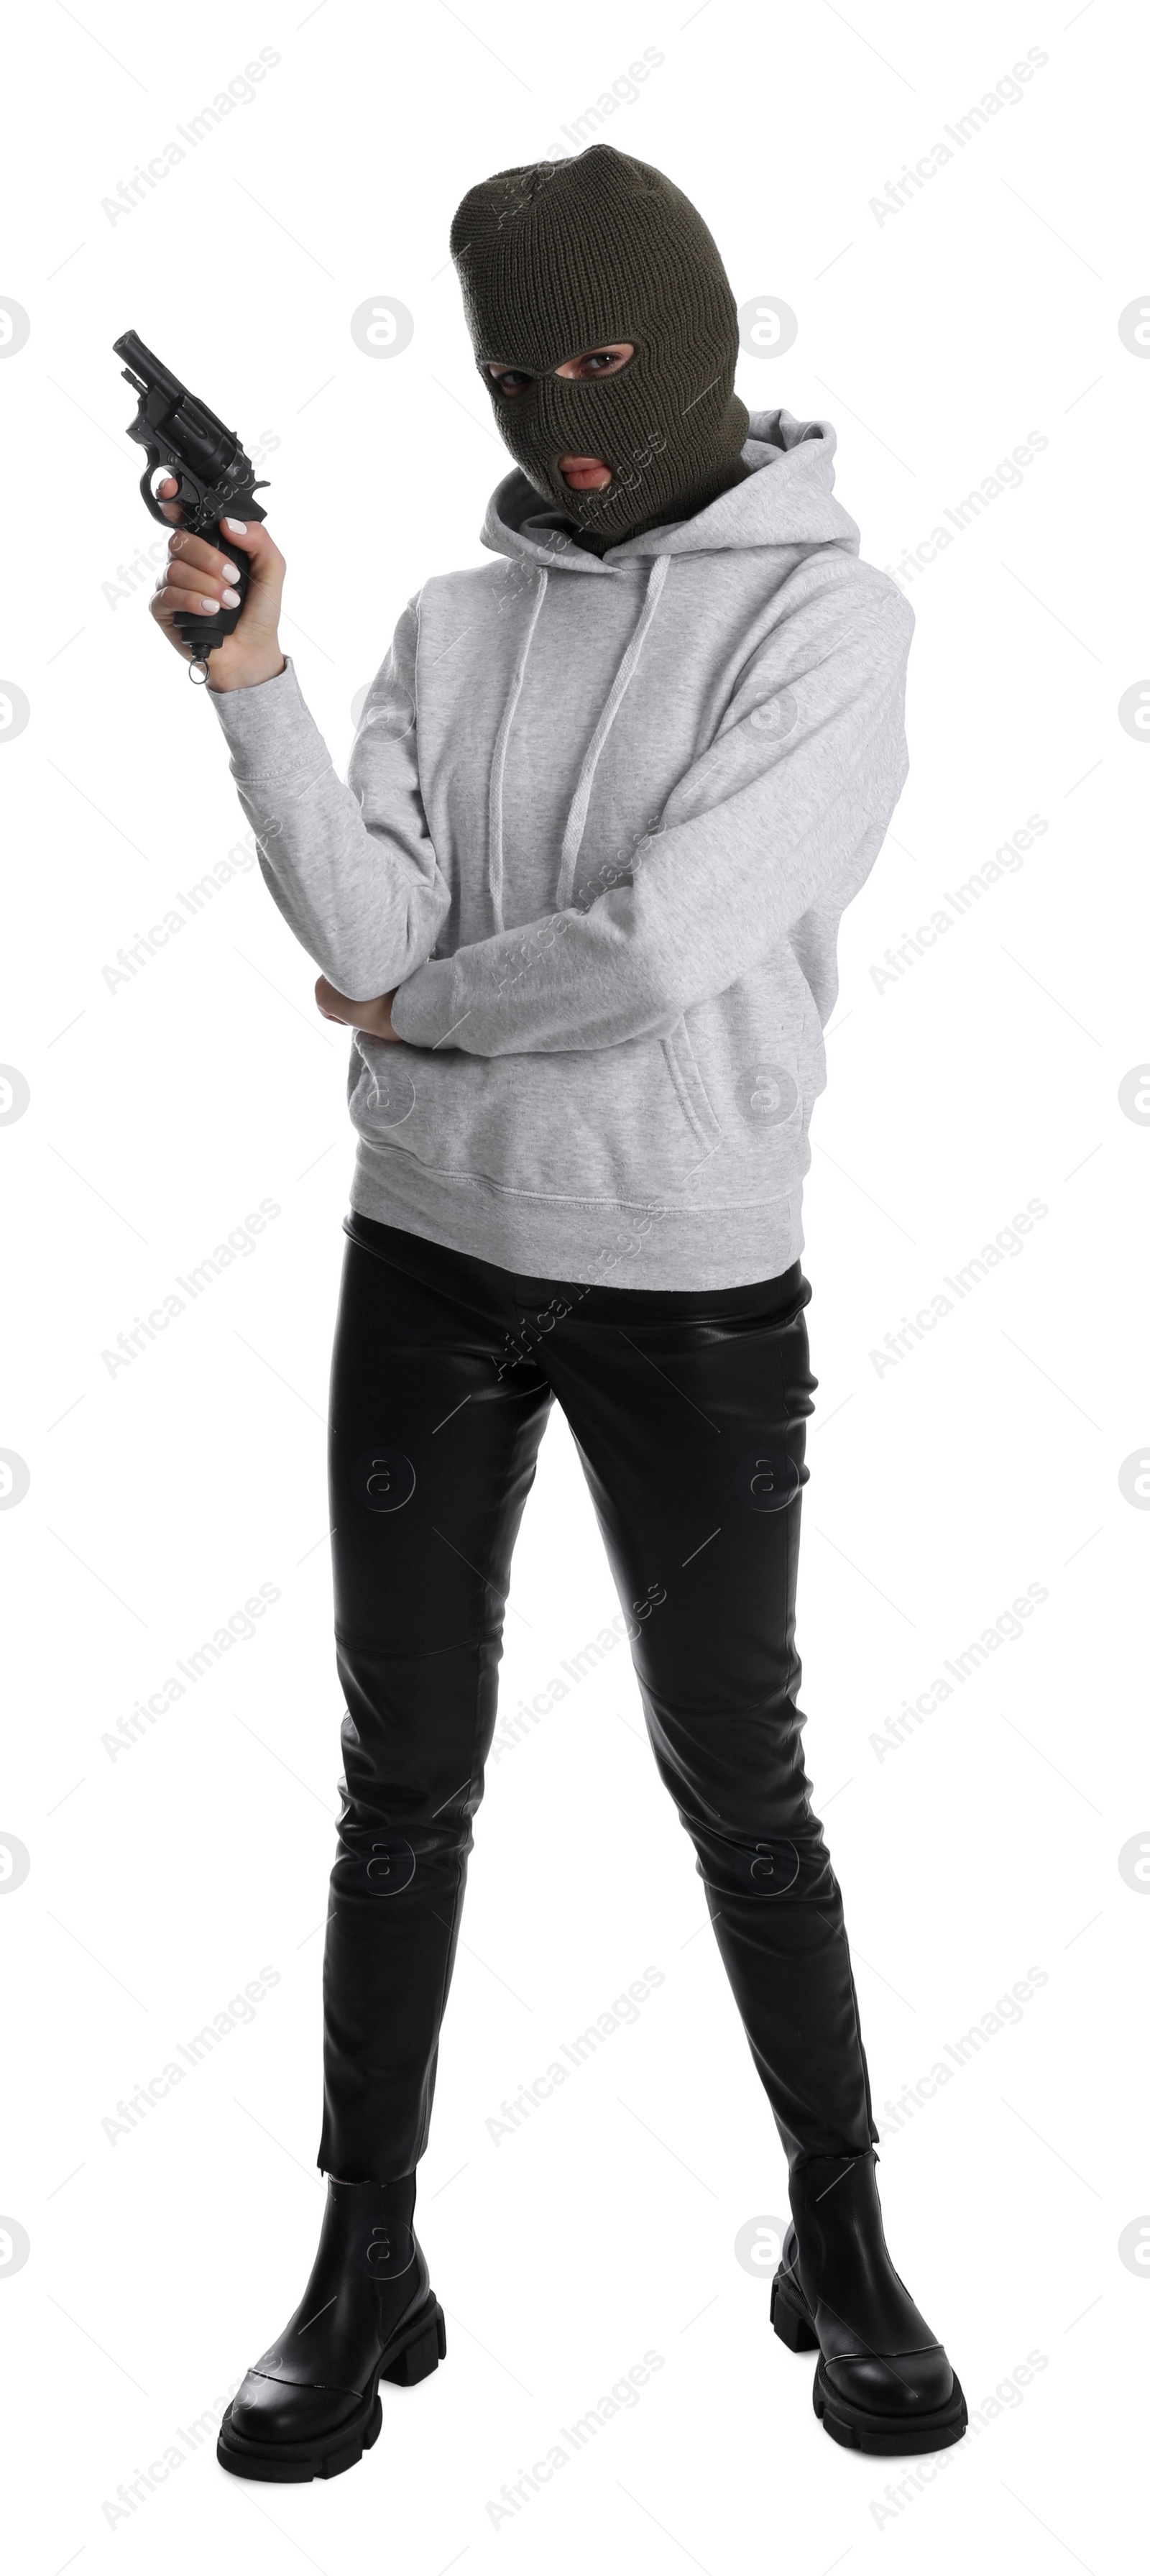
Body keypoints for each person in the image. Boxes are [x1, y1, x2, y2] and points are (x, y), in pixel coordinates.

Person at [149, 144, 965, 2483]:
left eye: (604, 356)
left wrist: (412, 1025)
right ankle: (360, 2255)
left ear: (699, 339)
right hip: (423, 1265)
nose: (564, 408)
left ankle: (847, 2231)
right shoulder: (442, 623)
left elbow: (664, 943)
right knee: (397, 1788)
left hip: (688, 1286)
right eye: (520, 369)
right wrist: (257, 680)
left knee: (748, 1787)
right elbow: (359, 909)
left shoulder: (832, 623)